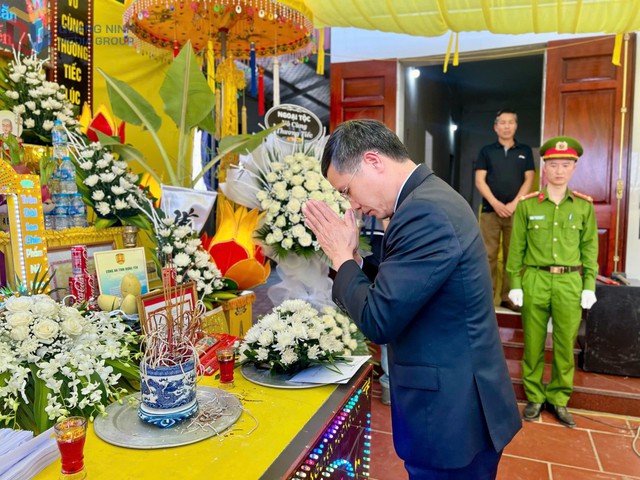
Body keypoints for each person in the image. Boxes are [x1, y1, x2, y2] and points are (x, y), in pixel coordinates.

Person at [303, 119, 521, 479]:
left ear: (373, 161)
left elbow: (379, 320)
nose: (353, 205)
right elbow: (405, 285)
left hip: (452, 416)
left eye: (347, 190)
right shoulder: (426, 198)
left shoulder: (423, 212)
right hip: (459, 401)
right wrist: (355, 261)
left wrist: (341, 259)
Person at [506, 136, 598, 428]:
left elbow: (589, 249)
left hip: (569, 281)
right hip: (535, 278)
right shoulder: (527, 205)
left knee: (564, 345)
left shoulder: (583, 206)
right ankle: (534, 396)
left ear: (574, 168)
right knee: (533, 342)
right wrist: (515, 282)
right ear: (545, 167)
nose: (559, 171)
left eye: (565, 165)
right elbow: (516, 248)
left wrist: (589, 285)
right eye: (554, 165)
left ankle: (559, 398)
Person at [475, 110, 535, 311]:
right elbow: (480, 180)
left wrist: (514, 204)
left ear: (515, 126)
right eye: (502, 122)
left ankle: (509, 297)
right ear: (496, 127)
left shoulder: (525, 151)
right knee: (488, 255)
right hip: (490, 211)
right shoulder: (486, 151)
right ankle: (487, 297)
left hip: (515, 212)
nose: (506, 126)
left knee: (514, 255)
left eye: (510, 122)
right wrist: (496, 203)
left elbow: (529, 179)